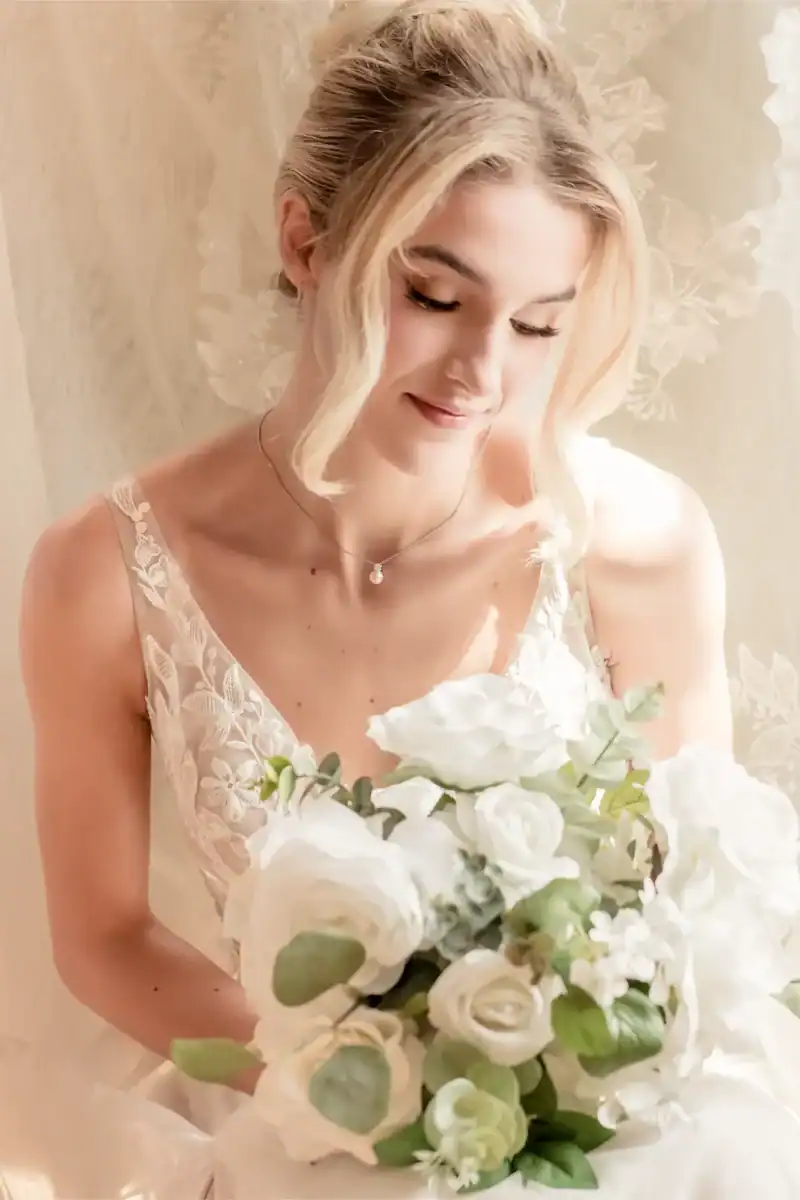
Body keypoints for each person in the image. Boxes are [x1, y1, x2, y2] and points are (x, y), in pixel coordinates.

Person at [10, 1, 798, 1197]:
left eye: (538, 323)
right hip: (278, 1120)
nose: (484, 372)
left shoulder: (632, 547)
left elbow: (691, 916)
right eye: (434, 297)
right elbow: (104, 934)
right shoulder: (104, 574)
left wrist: (529, 1092)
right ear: (305, 241)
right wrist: (352, 1082)